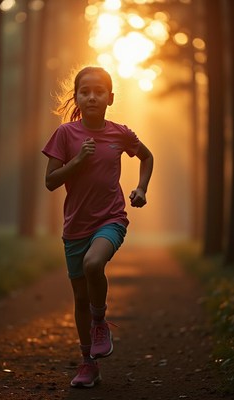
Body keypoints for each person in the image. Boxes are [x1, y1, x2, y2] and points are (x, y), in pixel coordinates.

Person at [42, 66, 153, 388]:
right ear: (77, 96)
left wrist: (142, 188)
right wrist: (76, 162)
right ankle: (88, 363)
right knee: (79, 299)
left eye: (99, 91)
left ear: (110, 97)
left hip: (111, 219)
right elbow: (50, 182)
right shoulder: (65, 134)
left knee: (94, 263)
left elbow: (146, 157)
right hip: (75, 226)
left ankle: (100, 320)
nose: (92, 96)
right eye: (85, 91)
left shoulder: (120, 133)